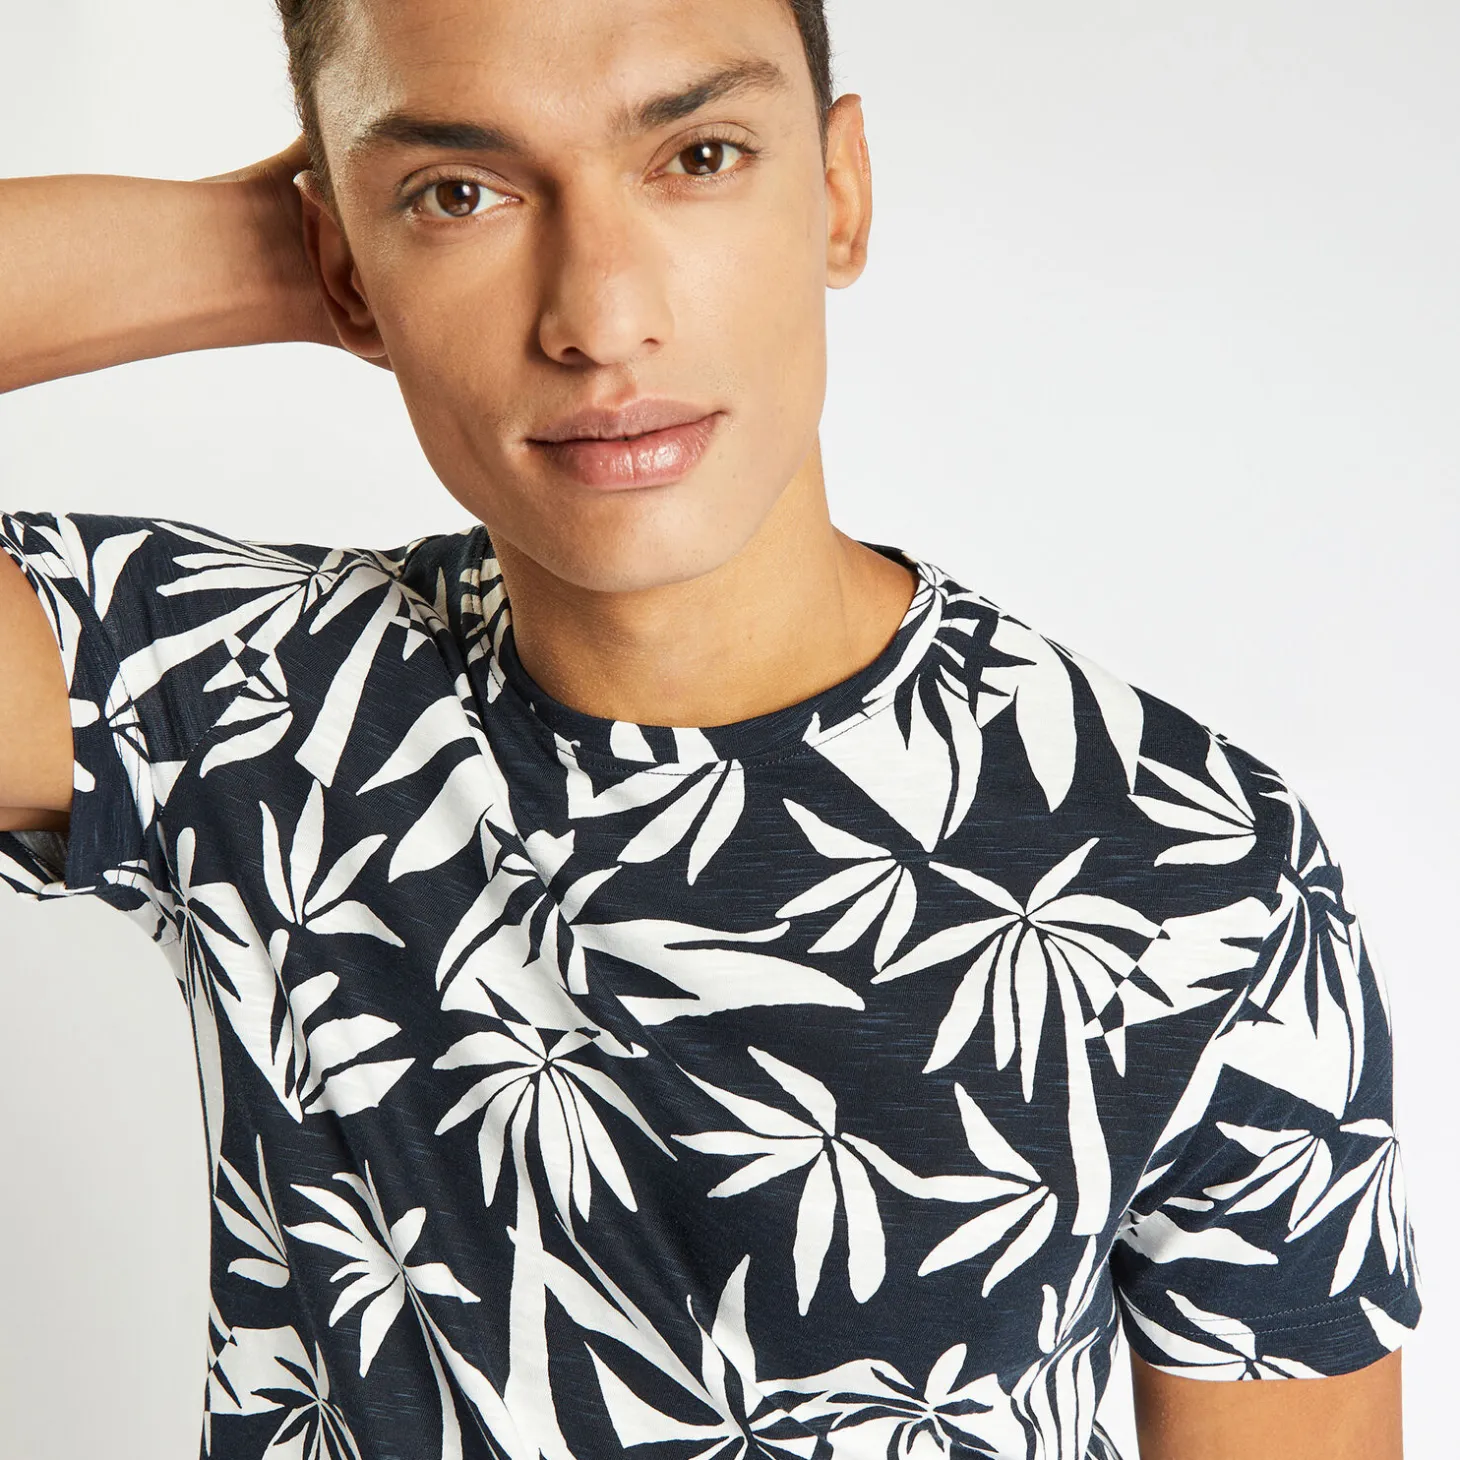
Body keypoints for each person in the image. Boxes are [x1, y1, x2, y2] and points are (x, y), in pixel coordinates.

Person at [0, 1, 1423, 1457]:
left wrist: (398, 217)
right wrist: (284, 252)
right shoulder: (250, 700)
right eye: (463, 192)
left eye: (698, 156)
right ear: (346, 261)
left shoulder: (1186, 863)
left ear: (838, 191)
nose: (602, 316)